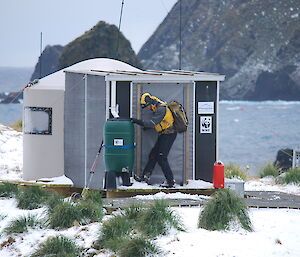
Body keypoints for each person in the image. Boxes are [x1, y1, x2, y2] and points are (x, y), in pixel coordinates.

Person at [131, 93, 177, 188]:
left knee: (161, 157)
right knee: (153, 155)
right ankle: (145, 178)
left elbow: (151, 123)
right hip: (164, 134)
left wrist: (135, 121)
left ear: (151, 103)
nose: (147, 109)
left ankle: (170, 181)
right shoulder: (157, 107)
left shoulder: (161, 109)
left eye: (147, 107)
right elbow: (158, 122)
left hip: (169, 134)